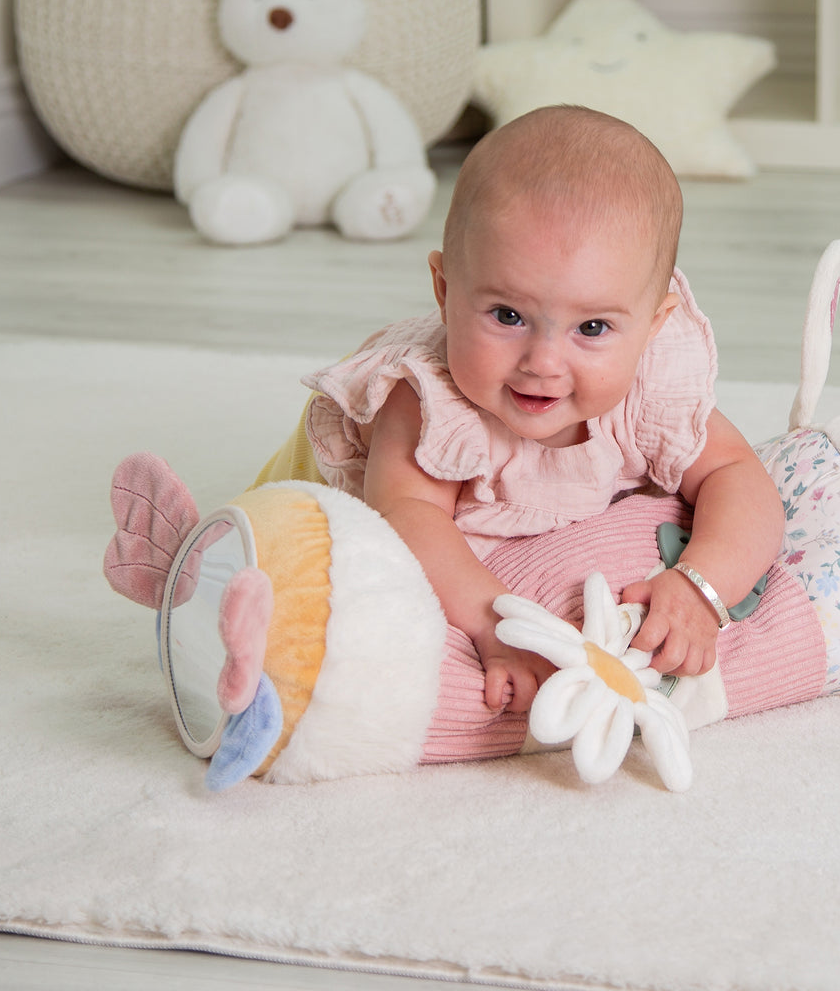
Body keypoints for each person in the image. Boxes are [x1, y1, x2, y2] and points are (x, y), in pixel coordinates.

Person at [256, 105, 783, 715]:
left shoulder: (649, 389)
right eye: (508, 316)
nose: (544, 362)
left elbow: (738, 476)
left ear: (652, 325)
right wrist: (498, 629)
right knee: (345, 632)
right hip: (319, 508)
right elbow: (407, 520)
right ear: (446, 290)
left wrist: (702, 585)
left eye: (592, 327)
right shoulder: (429, 402)